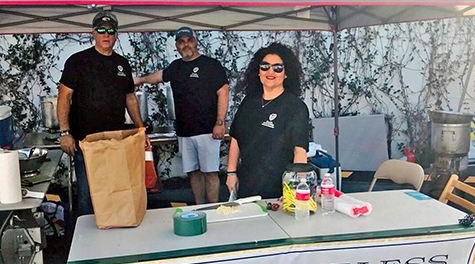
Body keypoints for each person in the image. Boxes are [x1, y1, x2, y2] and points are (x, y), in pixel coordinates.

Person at [57, 11, 144, 216]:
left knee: (116, 192)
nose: (106, 35)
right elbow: (64, 96)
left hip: (116, 141)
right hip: (86, 141)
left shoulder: (122, 64)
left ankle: (114, 239)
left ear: (116, 35)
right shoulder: (78, 61)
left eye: (111, 31)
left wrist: (141, 128)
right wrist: (64, 132)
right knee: (88, 195)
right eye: (102, 30)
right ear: (94, 33)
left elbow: (130, 98)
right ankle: (86, 243)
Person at [134, 27, 229, 205]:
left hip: (207, 130)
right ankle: (200, 207)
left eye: (189, 40)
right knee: (193, 172)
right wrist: (139, 80)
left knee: (210, 172)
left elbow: (223, 93)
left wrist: (220, 122)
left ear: (196, 41)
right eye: (181, 42)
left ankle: (214, 208)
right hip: (184, 131)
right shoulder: (176, 67)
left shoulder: (211, 65)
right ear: (177, 46)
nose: (186, 45)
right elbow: (159, 76)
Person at [226, 42, 310, 199]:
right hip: (247, 185)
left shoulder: (296, 107)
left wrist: (295, 188)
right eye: (265, 66)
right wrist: (231, 173)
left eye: (278, 67)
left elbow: (300, 151)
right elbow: (236, 139)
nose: (270, 71)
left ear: (286, 73)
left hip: (280, 189)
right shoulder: (248, 102)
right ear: (258, 72)